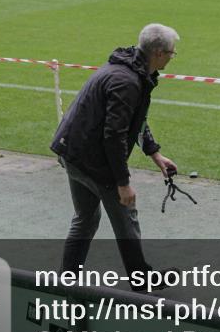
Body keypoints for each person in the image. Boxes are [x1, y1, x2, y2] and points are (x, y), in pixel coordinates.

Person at [51, 23, 179, 289]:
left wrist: (154, 153)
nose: (172, 57)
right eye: (171, 52)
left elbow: (135, 119)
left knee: (86, 218)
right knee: (126, 218)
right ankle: (142, 281)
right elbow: (114, 135)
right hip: (90, 158)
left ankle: (67, 280)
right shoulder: (128, 82)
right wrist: (122, 183)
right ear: (158, 53)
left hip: (71, 151)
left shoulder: (128, 68)